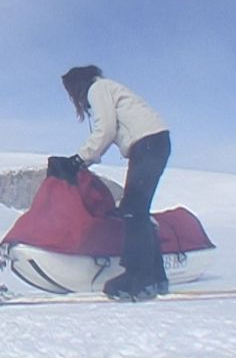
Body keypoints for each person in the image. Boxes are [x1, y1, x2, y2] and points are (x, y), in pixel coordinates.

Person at [61, 65, 171, 300]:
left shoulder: (97, 88)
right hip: (155, 143)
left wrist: (80, 158)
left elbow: (106, 129)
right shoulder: (107, 87)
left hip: (147, 144)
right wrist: (86, 158)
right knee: (137, 208)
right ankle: (156, 278)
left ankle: (138, 278)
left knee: (133, 210)